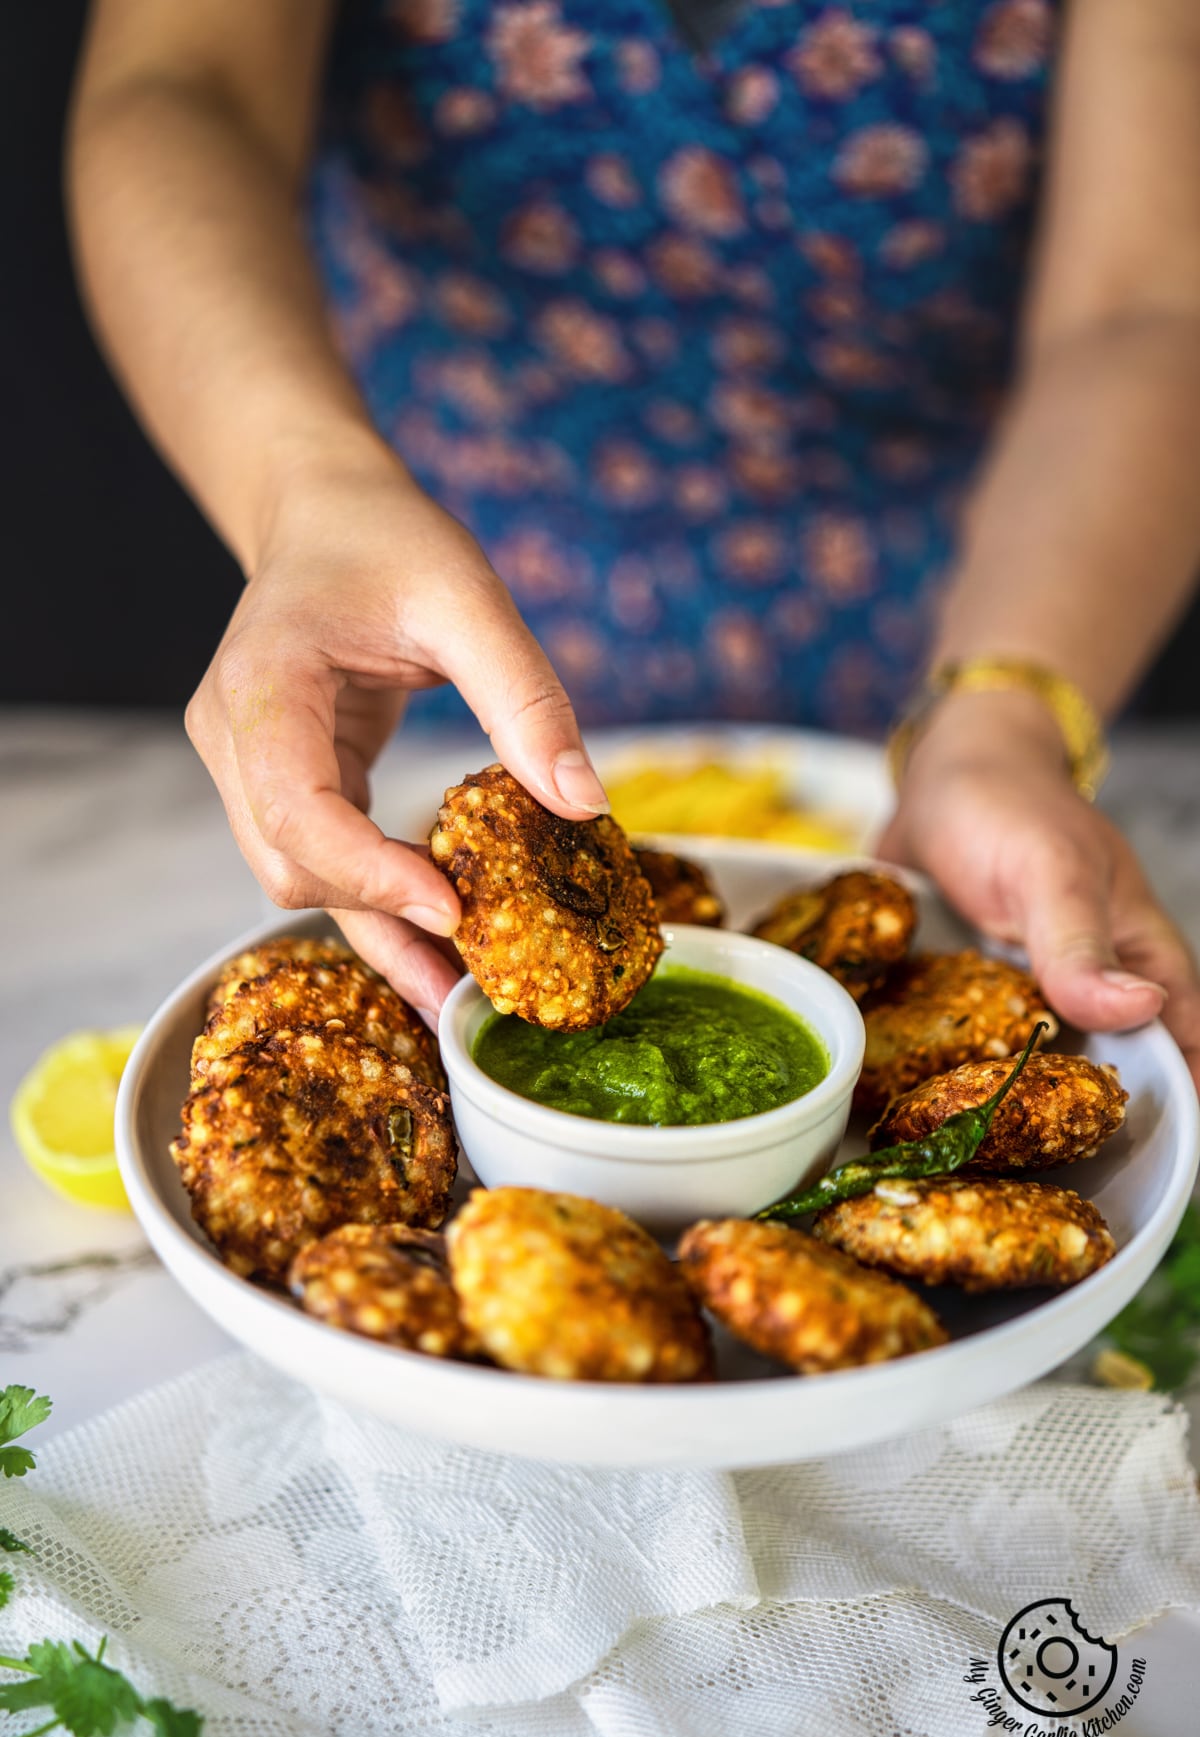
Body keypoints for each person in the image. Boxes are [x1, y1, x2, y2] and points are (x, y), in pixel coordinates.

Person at [66, 0, 1200, 1089]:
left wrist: (1002, 718)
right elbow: (180, 83)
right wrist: (302, 491)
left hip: (960, 611)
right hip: (424, 617)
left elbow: (1146, 298)